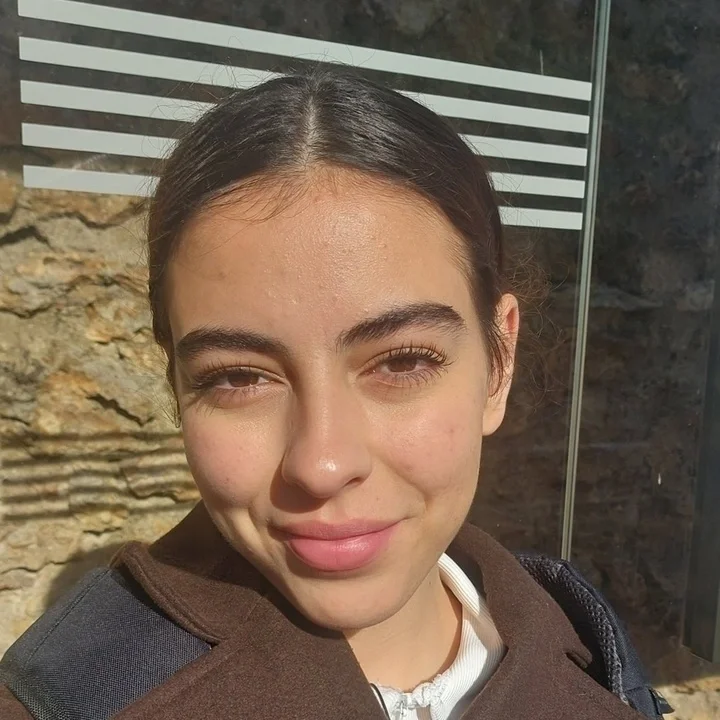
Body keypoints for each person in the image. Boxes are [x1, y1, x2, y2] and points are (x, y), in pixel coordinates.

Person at [0, 69, 670, 720]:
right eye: (238, 376)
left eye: (402, 361)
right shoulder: (65, 700)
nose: (321, 465)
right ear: (176, 382)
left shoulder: (591, 649)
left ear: (499, 362)